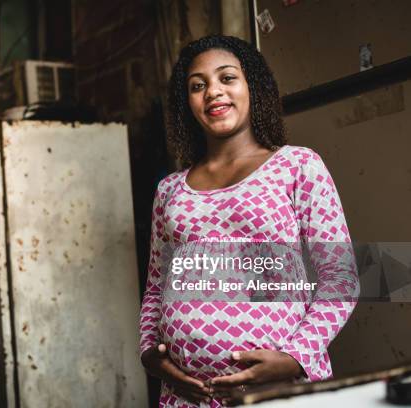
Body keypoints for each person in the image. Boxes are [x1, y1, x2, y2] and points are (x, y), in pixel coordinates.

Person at [138, 35, 359, 407]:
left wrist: (295, 358)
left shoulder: (297, 166)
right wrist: (150, 354)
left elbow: (341, 278)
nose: (213, 92)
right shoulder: (170, 191)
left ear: (252, 86)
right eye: (198, 85)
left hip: (279, 391)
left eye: (227, 78)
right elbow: (157, 287)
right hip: (186, 397)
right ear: (186, 102)